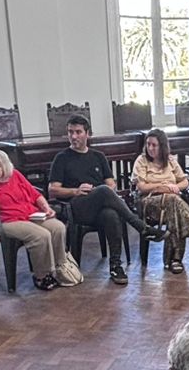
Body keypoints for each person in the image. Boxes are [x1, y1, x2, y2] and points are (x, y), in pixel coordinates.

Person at [48, 115, 165, 287]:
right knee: (102, 190)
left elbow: (111, 183)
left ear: (87, 134)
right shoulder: (62, 158)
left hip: (99, 205)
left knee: (110, 213)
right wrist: (76, 190)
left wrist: (109, 190)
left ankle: (116, 265)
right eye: (70, 132)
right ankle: (141, 227)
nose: (74, 137)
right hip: (77, 206)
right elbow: (52, 189)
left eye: (78, 132)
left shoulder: (98, 156)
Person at [0, 149, 71, 291]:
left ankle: (60, 268)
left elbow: (35, 194)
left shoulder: (15, 175)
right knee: (41, 235)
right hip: (7, 221)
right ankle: (42, 275)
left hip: (30, 214)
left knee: (58, 227)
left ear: (5, 166)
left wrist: (46, 207)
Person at [133, 128, 189, 275]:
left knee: (175, 211)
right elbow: (141, 187)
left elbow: (185, 182)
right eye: (148, 145)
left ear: (162, 146)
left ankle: (173, 260)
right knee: (175, 202)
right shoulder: (142, 161)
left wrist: (175, 188)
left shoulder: (171, 160)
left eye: (154, 145)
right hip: (149, 202)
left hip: (171, 203)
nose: (150, 148)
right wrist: (162, 187)